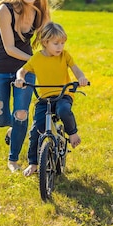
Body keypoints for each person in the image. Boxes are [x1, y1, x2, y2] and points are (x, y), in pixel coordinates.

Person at [0, 0, 51, 173]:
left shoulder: (40, 13)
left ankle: (12, 160)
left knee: (21, 114)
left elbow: (49, 40)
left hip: (24, 70)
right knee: (2, 118)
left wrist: (57, 55)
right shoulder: (5, 9)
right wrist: (37, 60)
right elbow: (9, 48)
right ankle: (13, 129)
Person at [15, 22, 89, 177]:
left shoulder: (65, 56)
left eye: (62, 43)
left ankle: (73, 133)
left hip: (63, 95)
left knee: (63, 110)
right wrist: (20, 78)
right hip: (44, 98)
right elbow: (22, 71)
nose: (60, 47)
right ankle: (34, 163)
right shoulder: (37, 59)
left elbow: (75, 69)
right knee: (36, 130)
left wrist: (81, 77)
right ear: (45, 42)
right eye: (56, 43)